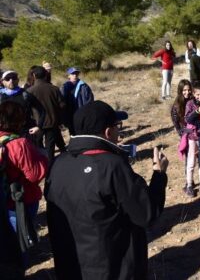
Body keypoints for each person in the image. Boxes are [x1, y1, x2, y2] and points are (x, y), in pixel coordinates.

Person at [45, 100, 168, 279]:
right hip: (113, 268)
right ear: (108, 132)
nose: (120, 131)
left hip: (71, 266)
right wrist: (159, 175)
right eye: (118, 126)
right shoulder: (112, 166)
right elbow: (146, 214)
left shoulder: (58, 163)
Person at [0, 101, 48, 268]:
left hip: (3, 199)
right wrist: (42, 157)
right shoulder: (19, 144)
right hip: (20, 199)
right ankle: (19, 268)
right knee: (20, 238)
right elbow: (35, 175)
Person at [27, 66, 66, 162]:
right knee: (50, 147)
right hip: (52, 122)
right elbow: (62, 105)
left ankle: (42, 165)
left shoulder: (29, 91)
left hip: (37, 124)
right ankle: (51, 165)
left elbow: (27, 109)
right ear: (46, 75)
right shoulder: (54, 89)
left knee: (38, 146)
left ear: (34, 76)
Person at [0, 70, 45, 145]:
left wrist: (39, 126)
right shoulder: (1, 96)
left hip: (25, 132)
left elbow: (42, 110)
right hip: (5, 134)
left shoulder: (25, 94)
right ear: (3, 81)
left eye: (13, 78)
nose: (11, 81)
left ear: (18, 80)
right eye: (8, 78)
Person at [61, 67, 94, 136]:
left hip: (81, 113)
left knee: (82, 132)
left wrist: (87, 113)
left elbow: (89, 101)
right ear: (68, 75)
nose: (75, 75)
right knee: (72, 133)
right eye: (73, 74)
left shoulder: (84, 86)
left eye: (76, 73)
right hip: (70, 115)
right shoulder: (64, 87)